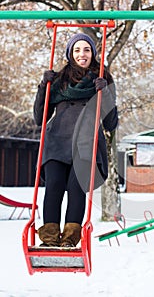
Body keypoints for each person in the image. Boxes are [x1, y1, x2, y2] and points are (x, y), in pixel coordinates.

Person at [34, 33, 118, 247]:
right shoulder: (58, 80)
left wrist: (105, 92)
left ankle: (70, 239)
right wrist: (44, 86)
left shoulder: (103, 79)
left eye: (87, 50)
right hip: (57, 142)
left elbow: (110, 123)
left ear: (93, 53)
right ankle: (50, 238)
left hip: (85, 143)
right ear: (70, 53)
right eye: (77, 50)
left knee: (76, 188)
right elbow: (39, 117)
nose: (82, 54)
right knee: (53, 185)